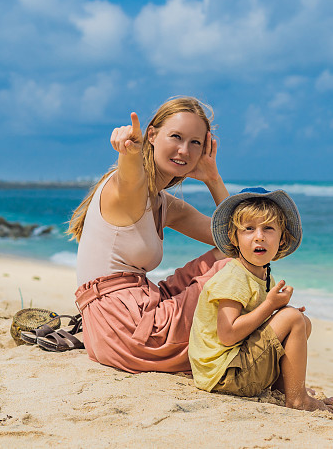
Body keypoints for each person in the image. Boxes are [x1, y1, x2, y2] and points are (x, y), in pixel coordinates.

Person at [66, 96, 231, 373]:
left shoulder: (164, 204)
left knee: (229, 256)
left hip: (125, 321)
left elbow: (233, 240)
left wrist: (213, 179)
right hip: (125, 327)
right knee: (236, 268)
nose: (184, 150)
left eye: (195, 143)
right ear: (152, 135)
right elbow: (130, 176)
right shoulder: (130, 190)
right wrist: (129, 152)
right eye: (176, 137)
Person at [188, 188, 333, 412]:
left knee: (300, 322)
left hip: (238, 365)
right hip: (225, 373)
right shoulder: (234, 277)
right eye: (249, 229)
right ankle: (297, 399)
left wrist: (279, 311)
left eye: (268, 228)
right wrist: (271, 307)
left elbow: (256, 323)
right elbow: (228, 335)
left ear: (282, 238)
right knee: (293, 319)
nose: (259, 236)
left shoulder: (262, 276)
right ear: (233, 237)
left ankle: (287, 386)